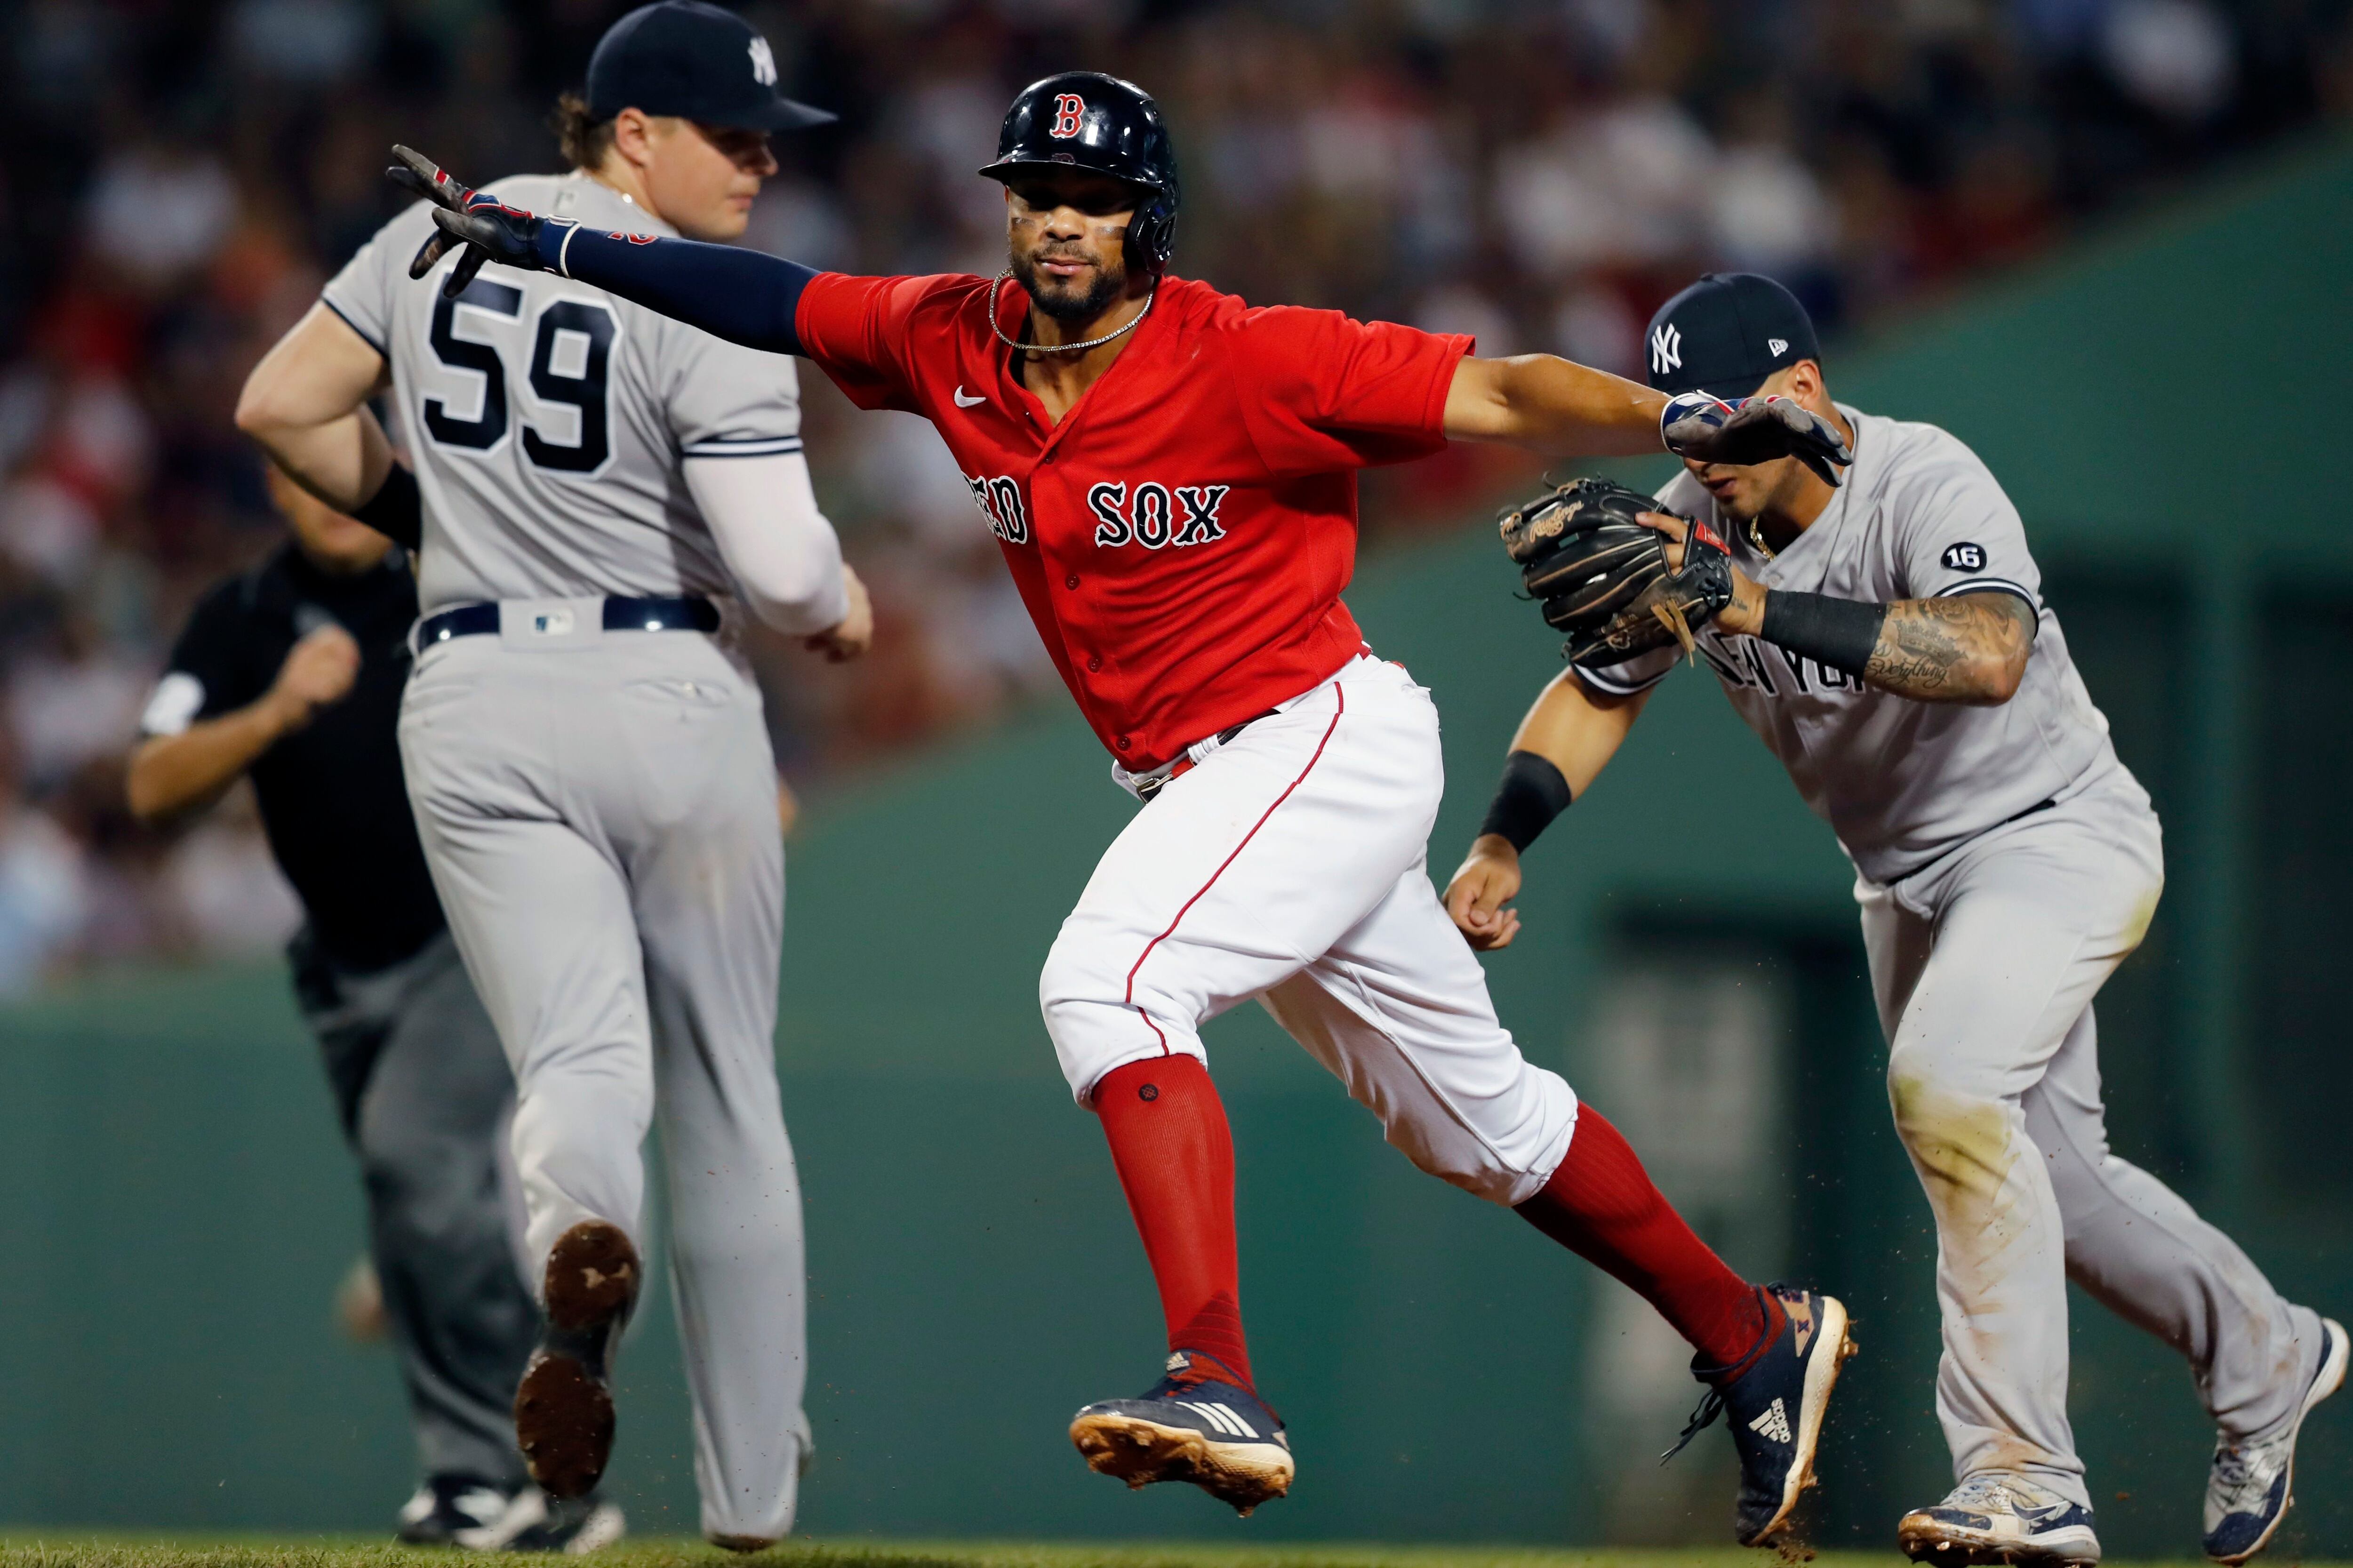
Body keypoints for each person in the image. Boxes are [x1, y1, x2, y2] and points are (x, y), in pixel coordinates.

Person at [394, 72, 1867, 1544]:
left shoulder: (1247, 355)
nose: (1059, 222)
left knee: (1109, 979)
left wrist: (1662, 410)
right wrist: (551, 243)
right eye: (1037, 191)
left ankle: (1215, 1374)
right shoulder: (945, 339)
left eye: (1096, 200)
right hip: (1216, 782)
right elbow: (764, 295)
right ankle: (1754, 1335)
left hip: (1315, 736)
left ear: (1146, 220)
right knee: (1484, 1130)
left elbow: (1499, 388)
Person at [1445, 272, 2344, 1566]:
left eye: (1737, 428)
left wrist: (1745, 601)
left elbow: (1985, 656)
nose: (1711, 458)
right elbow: (1599, 686)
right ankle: (2270, 1353)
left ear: (1804, 392)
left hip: (2055, 832)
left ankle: (2026, 1477)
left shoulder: (1926, 479)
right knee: (2068, 1196)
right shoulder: (1696, 513)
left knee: (1945, 1092)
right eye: (1690, 431)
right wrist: (1501, 837)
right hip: (1903, 879)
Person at [232, 1, 871, 1549]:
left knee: (576, 1064)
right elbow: (783, 576)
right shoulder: (711, 293)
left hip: (471, 688)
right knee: (725, 1088)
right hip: (664, 686)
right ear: (631, 133)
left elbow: (278, 408)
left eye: (771, 143)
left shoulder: (442, 235)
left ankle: (579, 1239)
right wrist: (842, 599)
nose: (761, 168)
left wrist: (426, 523)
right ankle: (751, 1496)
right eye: (733, 137)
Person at [127, 467, 624, 1552]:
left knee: (413, 1157)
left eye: (351, 461)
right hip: (340, 968)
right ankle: (504, 1483)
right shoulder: (241, 617)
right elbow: (151, 786)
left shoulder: (455, 585)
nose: (335, 490)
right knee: (413, 1214)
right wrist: (272, 709)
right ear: (275, 479)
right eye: (310, 466)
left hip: (472, 935)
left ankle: (518, 1465)